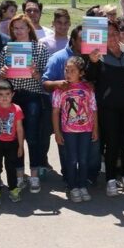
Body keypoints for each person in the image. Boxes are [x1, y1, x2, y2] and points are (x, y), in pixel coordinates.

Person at [86, 20, 124, 197]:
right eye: (108, 33)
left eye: (114, 32)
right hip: (107, 108)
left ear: (120, 33)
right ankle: (111, 179)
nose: (112, 36)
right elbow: (89, 77)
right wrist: (93, 62)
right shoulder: (97, 55)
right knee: (111, 144)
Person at [0, 14, 49, 193]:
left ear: (29, 29)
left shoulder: (40, 48)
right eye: (15, 28)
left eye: (22, 27)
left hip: (33, 96)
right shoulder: (7, 49)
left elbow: (46, 80)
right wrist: (2, 74)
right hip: (12, 98)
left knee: (32, 137)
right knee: (14, 138)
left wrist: (36, 73)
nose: (18, 31)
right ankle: (19, 175)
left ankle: (34, 175)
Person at [41, 25, 84, 184]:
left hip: (86, 116)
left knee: (86, 151)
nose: (86, 42)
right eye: (82, 39)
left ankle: (85, 177)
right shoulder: (58, 58)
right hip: (64, 115)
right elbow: (44, 83)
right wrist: (58, 83)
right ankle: (69, 179)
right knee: (66, 151)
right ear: (73, 40)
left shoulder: (92, 56)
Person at [52, 56, 97, 202]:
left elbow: (94, 109)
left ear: (81, 73)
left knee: (83, 160)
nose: (68, 73)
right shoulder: (60, 89)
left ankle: (83, 186)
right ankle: (72, 187)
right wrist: (57, 132)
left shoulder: (88, 89)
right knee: (71, 160)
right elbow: (55, 112)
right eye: (66, 70)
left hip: (86, 130)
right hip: (68, 131)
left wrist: (95, 129)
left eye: (72, 70)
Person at [0, 80, 24, 206]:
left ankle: (13, 190)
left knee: (11, 168)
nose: (4, 97)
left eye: (7, 94)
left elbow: (19, 128)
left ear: (12, 94)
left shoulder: (17, 109)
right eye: (1, 94)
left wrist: (21, 146)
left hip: (12, 144)